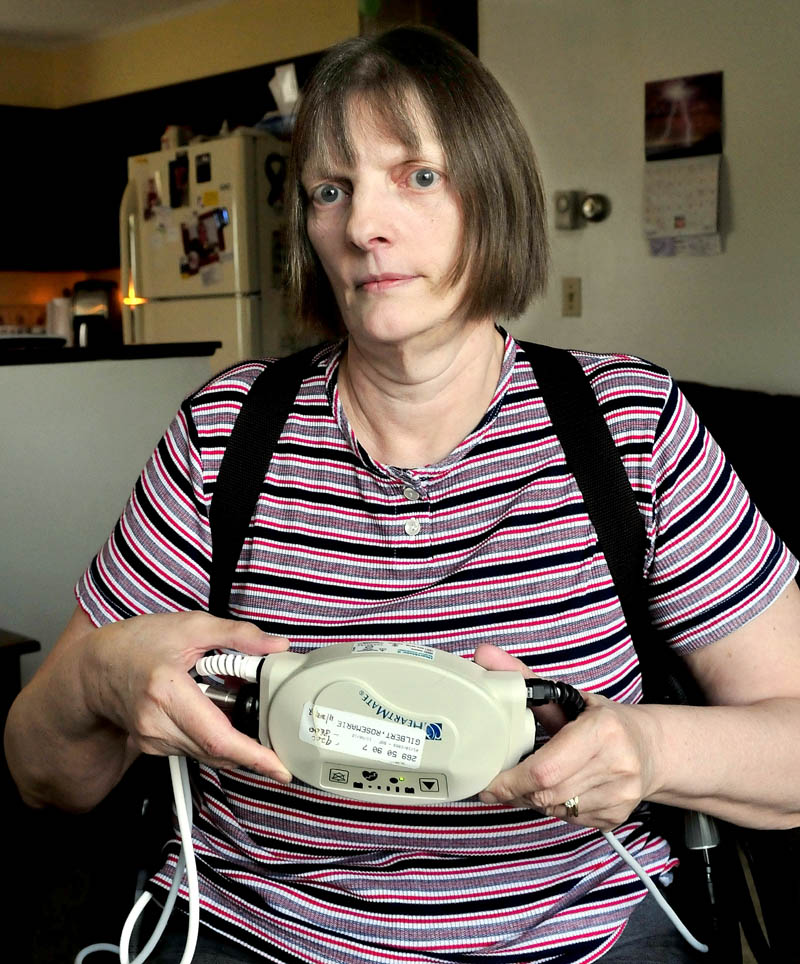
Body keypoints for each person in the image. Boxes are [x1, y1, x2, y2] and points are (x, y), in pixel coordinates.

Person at [5, 26, 800, 964]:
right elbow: (39, 773)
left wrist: (652, 752)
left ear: (492, 195)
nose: (363, 225)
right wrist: (101, 678)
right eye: (330, 190)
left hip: (571, 937)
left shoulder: (628, 427)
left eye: (418, 176)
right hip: (250, 934)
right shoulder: (225, 435)